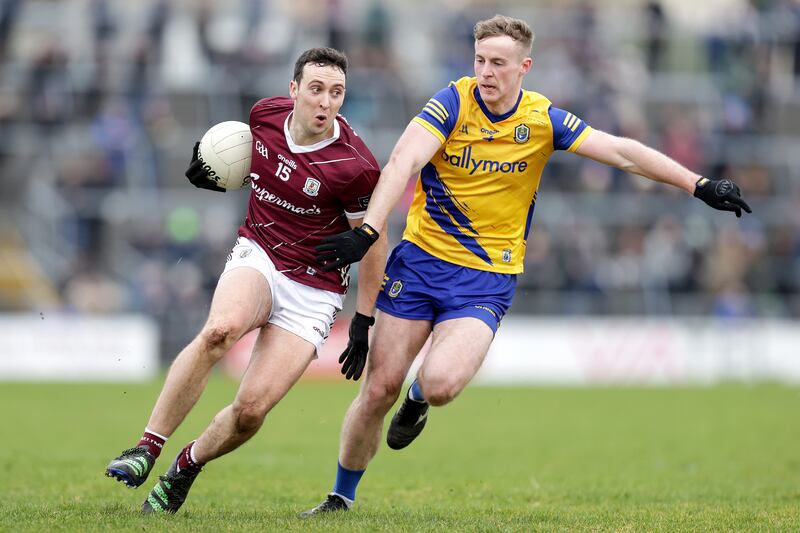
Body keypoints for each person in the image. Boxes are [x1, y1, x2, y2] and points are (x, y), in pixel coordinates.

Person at [302, 15, 752, 515]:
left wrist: (698, 184)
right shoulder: (451, 102)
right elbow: (403, 162)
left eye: (498, 63)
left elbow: (621, 153)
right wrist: (368, 231)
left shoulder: (542, 120)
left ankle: (420, 400)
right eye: (479, 61)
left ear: (524, 68)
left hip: (485, 280)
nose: (486, 72)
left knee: (443, 384)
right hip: (420, 264)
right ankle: (341, 496)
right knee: (378, 387)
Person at [104, 47, 388, 514]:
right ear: (293, 90)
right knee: (219, 331)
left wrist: (362, 319)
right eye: (316, 89)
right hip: (259, 253)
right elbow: (241, 160)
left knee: (251, 410)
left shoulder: (354, 166)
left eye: (337, 93)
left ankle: (185, 466)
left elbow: (375, 242)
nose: (326, 102)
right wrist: (209, 168)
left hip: (314, 290)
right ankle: (145, 448)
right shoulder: (264, 115)